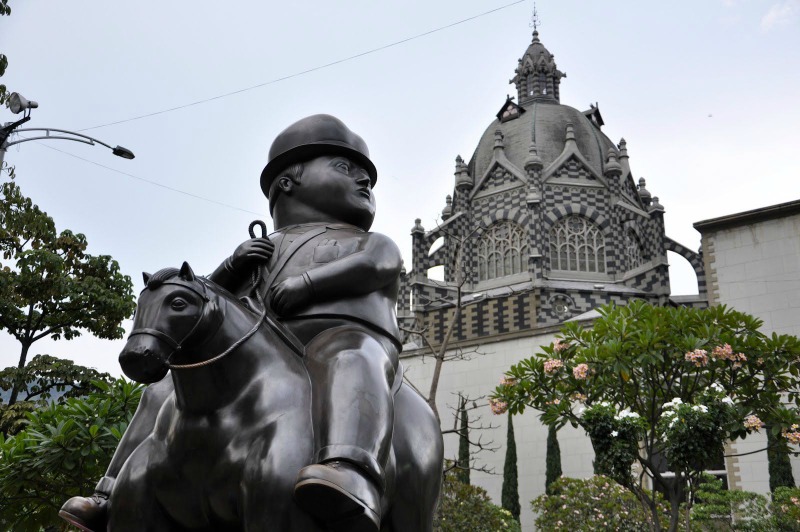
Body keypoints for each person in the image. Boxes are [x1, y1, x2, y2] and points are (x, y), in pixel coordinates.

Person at [60, 114, 402, 532]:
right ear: (286, 183)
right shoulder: (259, 249)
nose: (365, 181)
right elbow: (205, 300)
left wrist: (308, 284)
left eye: (367, 175)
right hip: (268, 351)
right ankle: (108, 491)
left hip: (340, 336)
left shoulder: (368, 241)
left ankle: (349, 468)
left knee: (352, 359)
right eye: (346, 168)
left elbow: (379, 264)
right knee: (164, 386)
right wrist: (230, 266)